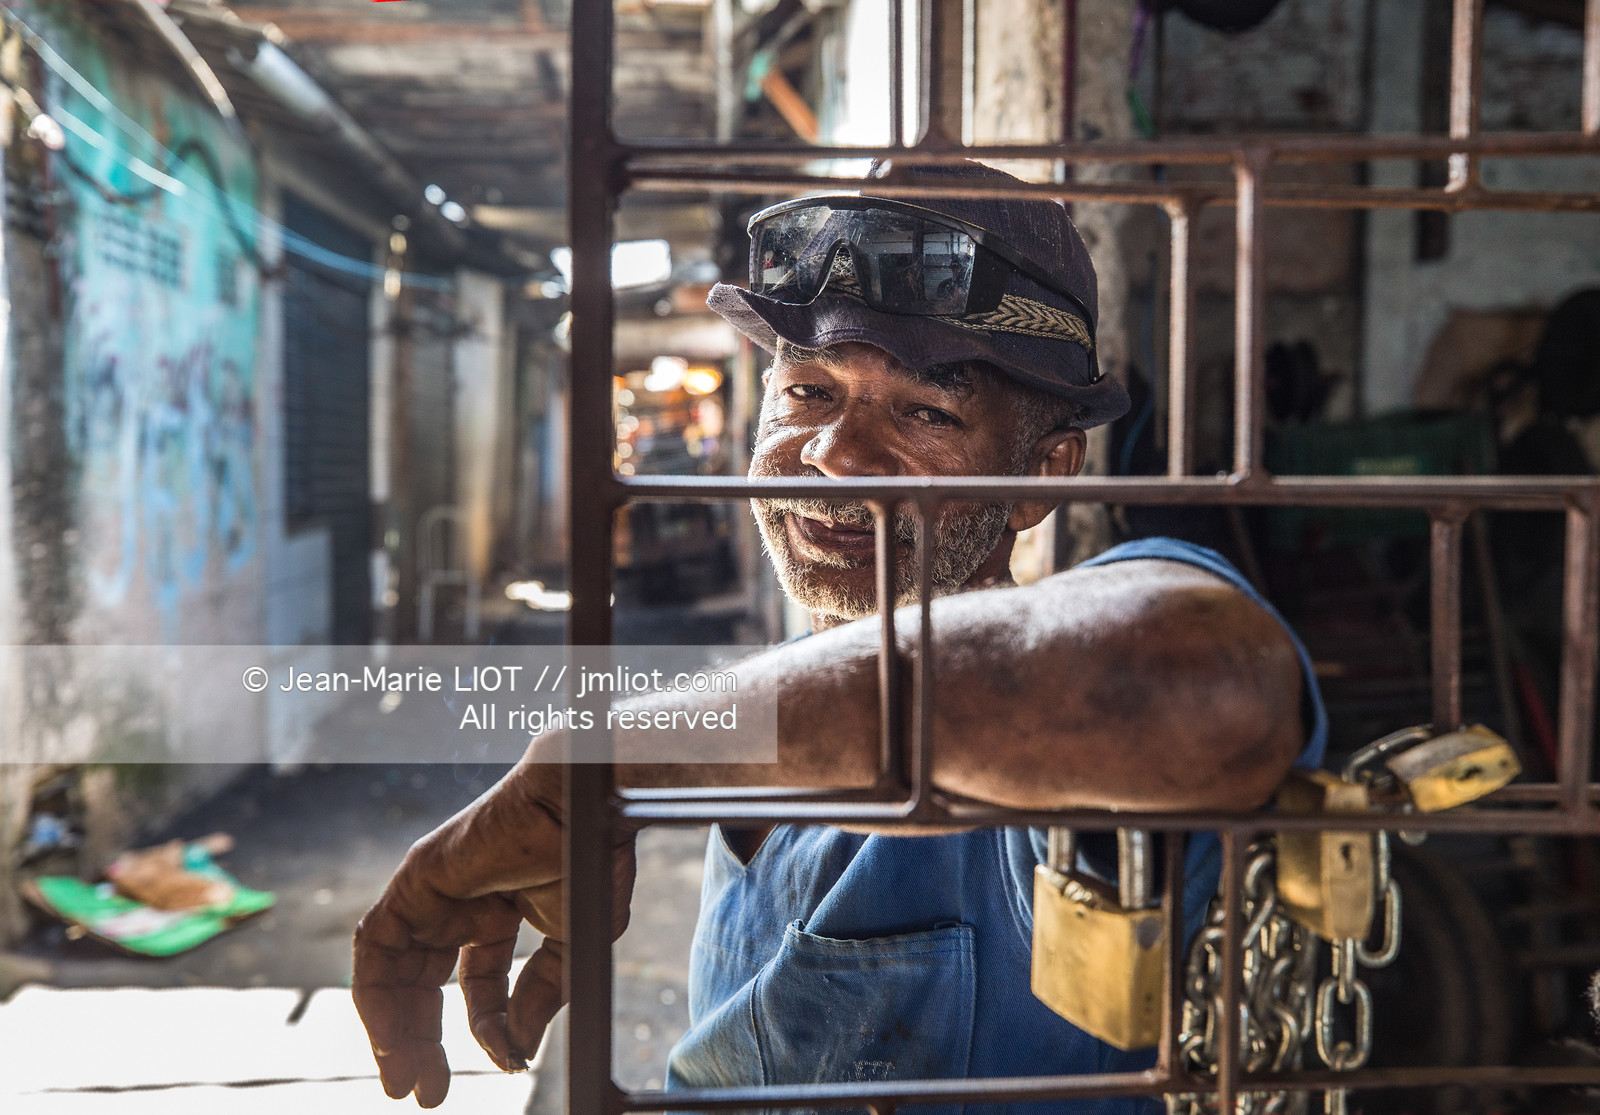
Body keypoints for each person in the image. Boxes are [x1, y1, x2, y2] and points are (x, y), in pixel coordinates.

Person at [352, 162, 1327, 1113]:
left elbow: (1209, 682)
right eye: (809, 391)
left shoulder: (1051, 752)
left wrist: (618, 757)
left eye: (923, 410)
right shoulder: (785, 715)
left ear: (1041, 474)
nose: (832, 454)